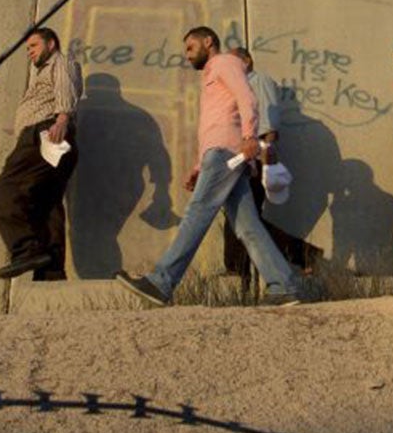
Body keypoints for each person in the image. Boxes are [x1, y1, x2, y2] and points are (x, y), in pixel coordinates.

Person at [117, 27, 304, 307]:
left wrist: (250, 136)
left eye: (191, 47)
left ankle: (161, 282)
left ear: (208, 42)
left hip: (226, 152)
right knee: (247, 226)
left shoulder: (225, 63)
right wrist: (197, 167)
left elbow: (248, 98)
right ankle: (284, 285)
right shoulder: (212, 75)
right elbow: (214, 125)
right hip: (220, 154)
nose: (187, 55)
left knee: (198, 212)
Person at [221, 42, 319, 278]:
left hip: (253, 160)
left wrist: (264, 158)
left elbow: (268, 124)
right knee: (239, 216)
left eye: (234, 62)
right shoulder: (239, 86)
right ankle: (238, 267)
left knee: (244, 217)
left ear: (247, 62)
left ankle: (301, 253)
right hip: (239, 160)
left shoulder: (259, 81)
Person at [0, 27, 82, 279]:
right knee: (47, 205)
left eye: (33, 46)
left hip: (46, 135)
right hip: (51, 137)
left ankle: (25, 249)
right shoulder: (41, 72)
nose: (30, 52)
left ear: (51, 44)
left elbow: (66, 88)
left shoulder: (61, 61)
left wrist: (62, 118)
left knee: (6, 189)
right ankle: (50, 272)